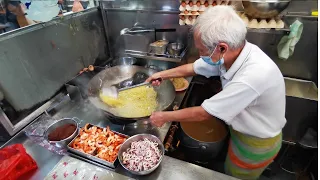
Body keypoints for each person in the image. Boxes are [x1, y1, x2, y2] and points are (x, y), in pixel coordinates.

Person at [147, 6, 286, 180]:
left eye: (202, 51)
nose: (200, 54)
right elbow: (194, 67)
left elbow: (204, 114)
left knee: (234, 175)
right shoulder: (234, 53)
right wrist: (162, 74)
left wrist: (163, 117)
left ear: (221, 48)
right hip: (240, 130)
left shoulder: (252, 76)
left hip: (256, 142)